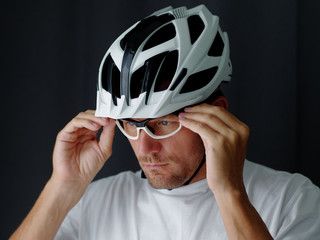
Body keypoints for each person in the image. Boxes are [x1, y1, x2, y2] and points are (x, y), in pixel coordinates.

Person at [10, 5, 320, 240]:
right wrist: (62, 187)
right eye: (131, 125)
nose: (145, 147)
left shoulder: (291, 199)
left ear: (217, 115)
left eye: (163, 123)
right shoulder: (95, 201)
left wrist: (230, 193)